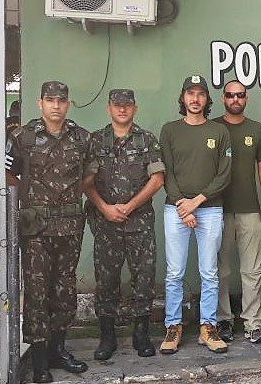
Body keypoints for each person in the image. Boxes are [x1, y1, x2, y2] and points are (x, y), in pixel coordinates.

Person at [5, 81, 89, 383]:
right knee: (38, 294)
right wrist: (24, 206)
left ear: (68, 105)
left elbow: (88, 177)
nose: (56, 105)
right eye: (50, 100)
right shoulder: (22, 137)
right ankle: (39, 358)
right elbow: (9, 174)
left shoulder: (81, 138)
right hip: (36, 229)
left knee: (65, 290)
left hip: (69, 228)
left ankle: (58, 350)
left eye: (61, 100)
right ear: (40, 103)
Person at [83, 89, 165, 360]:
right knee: (106, 280)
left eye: (127, 105)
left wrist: (129, 207)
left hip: (139, 223)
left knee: (143, 278)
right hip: (106, 224)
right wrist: (105, 208)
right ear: (109, 109)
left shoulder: (147, 140)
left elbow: (157, 180)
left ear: (134, 109)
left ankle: (141, 334)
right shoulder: (96, 140)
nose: (122, 109)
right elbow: (87, 181)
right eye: (117, 105)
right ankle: (107, 337)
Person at [158, 75, 232, 354]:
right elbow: (166, 172)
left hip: (210, 209)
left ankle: (207, 328)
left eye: (201, 94)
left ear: (207, 100)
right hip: (175, 209)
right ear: (183, 98)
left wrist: (197, 202)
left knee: (209, 273)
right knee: (174, 272)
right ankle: (173, 327)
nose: (195, 99)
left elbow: (224, 174)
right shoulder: (169, 130)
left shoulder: (219, 131)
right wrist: (182, 204)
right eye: (190, 93)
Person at [213, 80, 261, 344]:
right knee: (219, 270)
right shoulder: (212, 128)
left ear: (246, 99)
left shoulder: (257, 129)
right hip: (216, 210)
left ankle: (253, 324)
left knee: (253, 269)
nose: (235, 99)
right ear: (223, 98)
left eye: (240, 95)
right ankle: (223, 321)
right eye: (230, 95)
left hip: (250, 209)